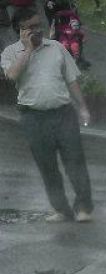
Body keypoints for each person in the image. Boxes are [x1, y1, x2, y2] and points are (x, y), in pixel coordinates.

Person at [2, 7, 93, 223]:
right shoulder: (10, 53)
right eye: (31, 27)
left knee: (75, 161)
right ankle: (61, 209)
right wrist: (28, 50)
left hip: (63, 113)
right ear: (20, 30)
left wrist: (82, 107)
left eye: (38, 25)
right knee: (47, 165)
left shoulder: (57, 48)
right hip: (33, 117)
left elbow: (72, 79)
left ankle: (84, 208)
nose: (37, 31)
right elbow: (13, 75)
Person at [45, 0, 86, 69]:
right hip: (54, 7)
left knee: (75, 32)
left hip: (67, 6)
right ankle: (58, 59)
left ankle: (77, 57)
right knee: (57, 33)